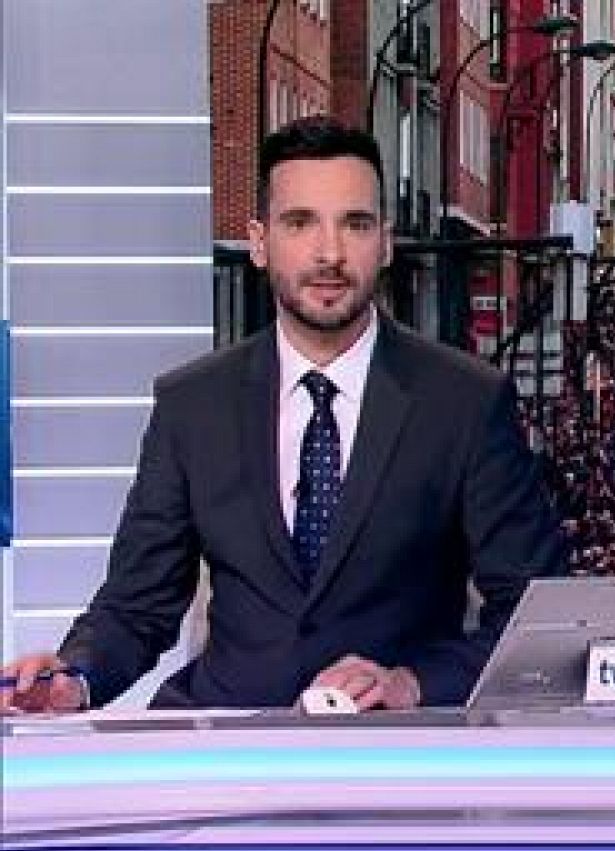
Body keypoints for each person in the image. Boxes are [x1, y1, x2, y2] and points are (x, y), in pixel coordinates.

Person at [0, 117, 566, 714]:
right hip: (225, 746)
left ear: (386, 243)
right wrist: (74, 677)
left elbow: (535, 615)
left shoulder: (465, 402)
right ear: (260, 242)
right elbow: (138, 605)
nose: (329, 253)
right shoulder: (193, 405)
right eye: (300, 223)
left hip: (398, 760)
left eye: (356, 224)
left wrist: (412, 684)